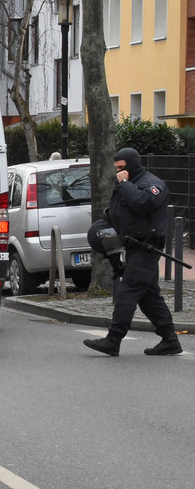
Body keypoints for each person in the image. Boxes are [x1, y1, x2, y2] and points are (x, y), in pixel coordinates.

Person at [83, 147, 183, 357]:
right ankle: (170, 339)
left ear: (132, 165)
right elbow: (115, 214)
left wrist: (125, 184)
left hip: (147, 247)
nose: (118, 172)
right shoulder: (124, 184)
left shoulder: (151, 184)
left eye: (122, 167)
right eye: (116, 168)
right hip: (132, 246)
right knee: (148, 295)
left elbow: (142, 203)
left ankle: (113, 339)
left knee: (127, 291)